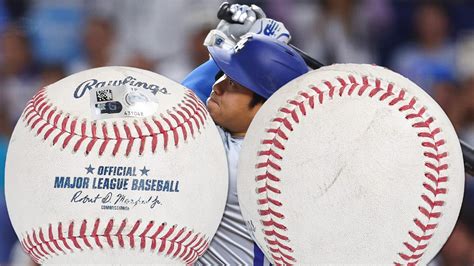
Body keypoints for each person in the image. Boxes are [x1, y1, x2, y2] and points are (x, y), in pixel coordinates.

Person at [182, 4, 309, 265]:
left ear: (265, 106)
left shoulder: (231, 160)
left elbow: (178, 106)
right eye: (221, 75)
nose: (216, 87)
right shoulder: (292, 150)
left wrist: (231, 37)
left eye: (233, 83)